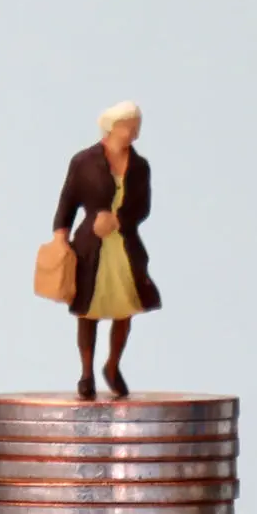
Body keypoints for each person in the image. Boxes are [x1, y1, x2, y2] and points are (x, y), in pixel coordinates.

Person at [52, 101, 162, 399]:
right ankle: (86, 373)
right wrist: (60, 236)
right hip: (91, 247)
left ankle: (113, 365)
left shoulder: (140, 167)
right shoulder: (84, 162)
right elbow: (67, 201)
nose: (134, 133)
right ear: (113, 127)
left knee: (125, 307)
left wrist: (118, 220)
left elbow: (143, 207)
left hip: (125, 248)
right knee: (88, 310)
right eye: (129, 127)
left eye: (137, 127)